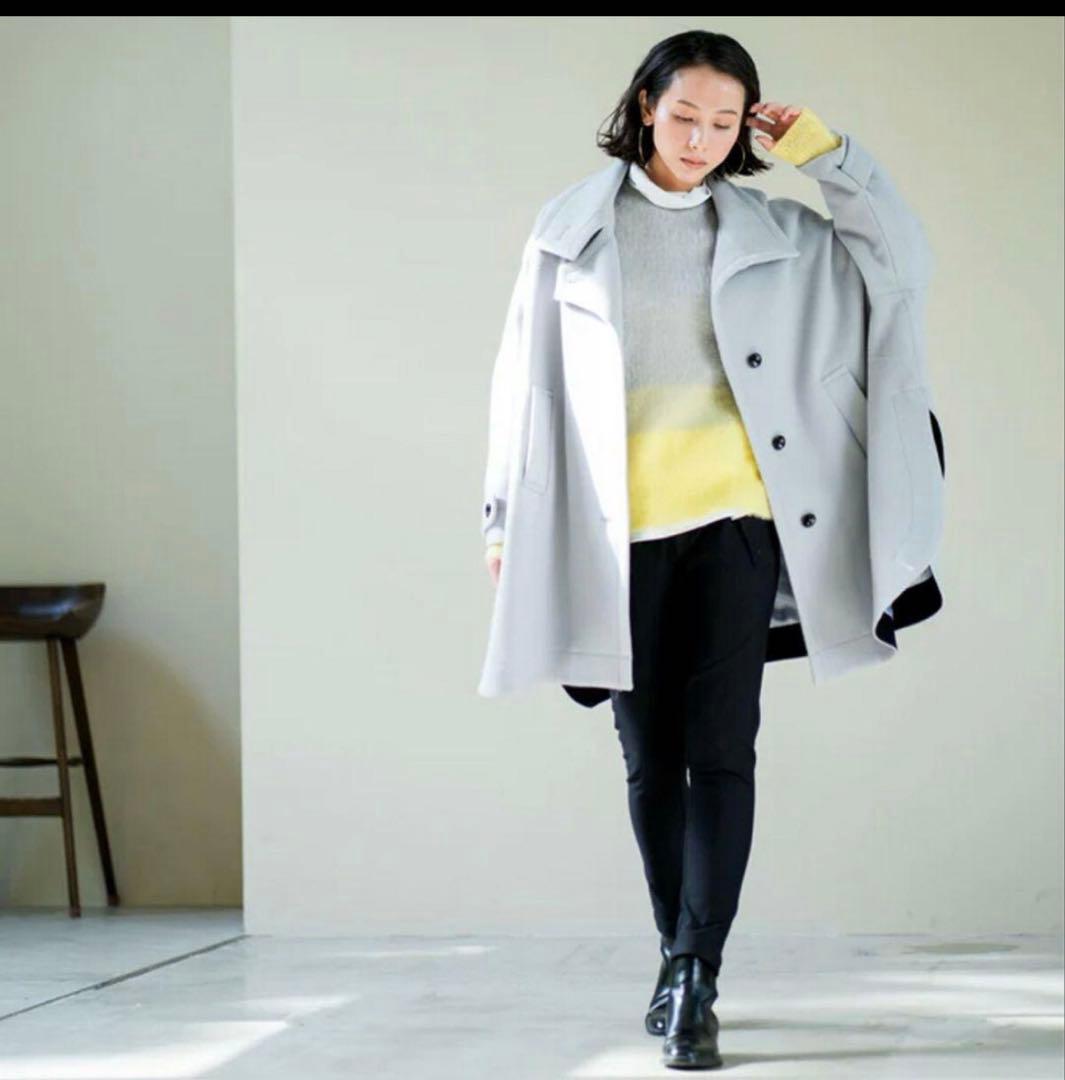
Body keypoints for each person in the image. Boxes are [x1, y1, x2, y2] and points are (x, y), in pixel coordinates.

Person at [482, 30, 916, 1072]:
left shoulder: (778, 230)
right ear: (644, 106)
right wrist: (501, 518)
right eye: (684, 116)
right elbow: (520, 375)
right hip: (616, 532)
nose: (702, 139)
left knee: (721, 750)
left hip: (738, 524)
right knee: (647, 759)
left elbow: (899, 263)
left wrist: (826, 156)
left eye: (725, 123)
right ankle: (677, 955)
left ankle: (693, 973)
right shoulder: (569, 227)